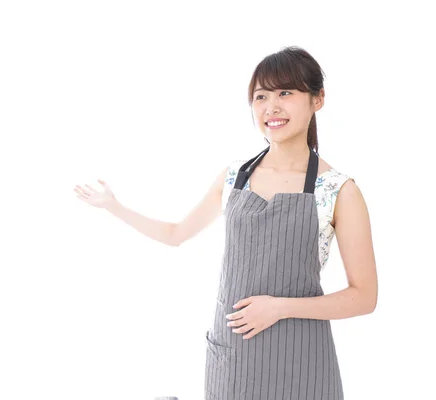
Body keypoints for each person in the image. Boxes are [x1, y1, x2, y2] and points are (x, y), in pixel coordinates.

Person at [73, 46, 378, 400]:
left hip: (303, 362)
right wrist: (114, 207)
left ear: (317, 99)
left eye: (286, 93)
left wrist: (280, 307)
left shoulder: (339, 190)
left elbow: (364, 297)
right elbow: (176, 234)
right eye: (261, 96)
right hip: (235, 360)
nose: (271, 107)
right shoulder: (235, 178)